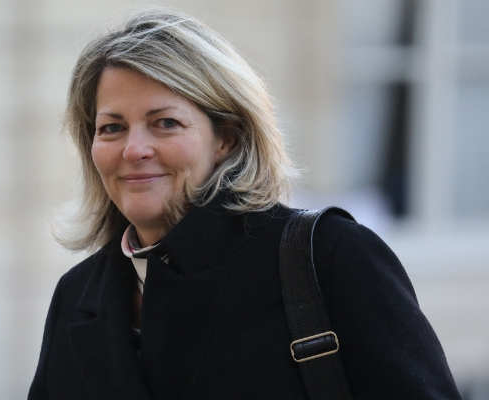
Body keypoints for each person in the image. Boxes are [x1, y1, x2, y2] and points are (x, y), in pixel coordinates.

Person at [29, 9, 462, 400]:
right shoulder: (78, 297)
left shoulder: (330, 257)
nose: (134, 149)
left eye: (165, 123)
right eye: (112, 128)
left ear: (227, 139)